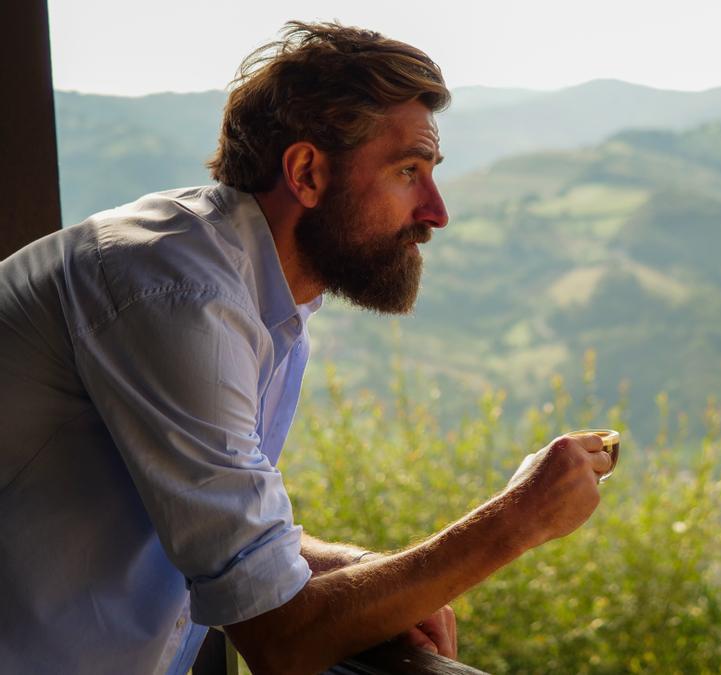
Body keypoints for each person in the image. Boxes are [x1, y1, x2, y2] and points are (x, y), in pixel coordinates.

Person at [0, 21, 612, 674]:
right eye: (408, 171)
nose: (436, 211)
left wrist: (348, 565)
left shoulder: (264, 301)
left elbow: (234, 531)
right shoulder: (177, 294)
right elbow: (279, 637)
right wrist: (521, 516)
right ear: (307, 172)